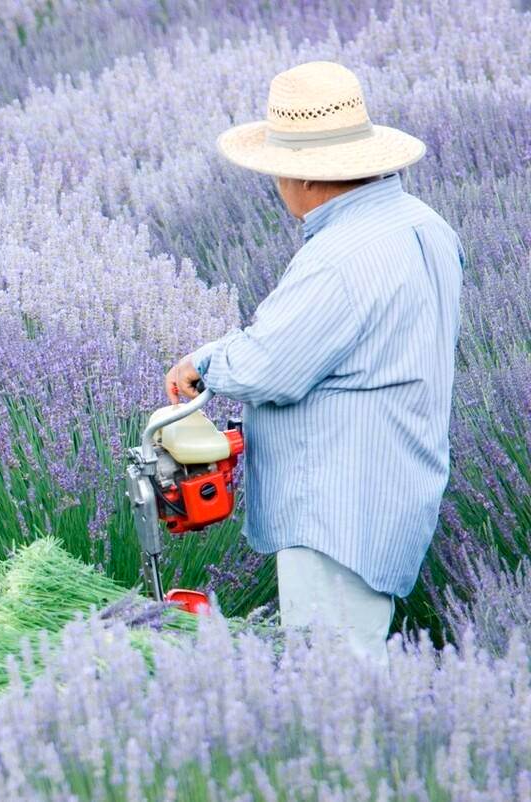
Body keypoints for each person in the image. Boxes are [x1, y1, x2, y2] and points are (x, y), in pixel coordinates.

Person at [165, 61, 463, 667]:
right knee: (351, 661)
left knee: (333, 678)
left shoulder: (341, 255)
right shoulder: (426, 226)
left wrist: (205, 362)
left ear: (303, 176)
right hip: (394, 485)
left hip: (336, 500)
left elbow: (272, 364)